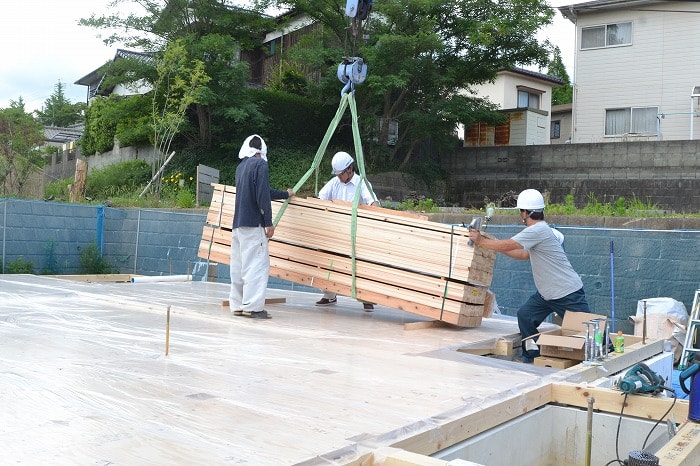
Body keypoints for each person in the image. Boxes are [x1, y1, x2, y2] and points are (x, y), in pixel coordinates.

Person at [468, 188, 589, 362]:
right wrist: (492, 244)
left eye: (521, 212)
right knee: (525, 316)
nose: (521, 216)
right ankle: (533, 354)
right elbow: (523, 254)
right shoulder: (539, 231)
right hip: (547, 294)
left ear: (525, 212)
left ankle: (610, 353)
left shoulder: (537, 230)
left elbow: (509, 244)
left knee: (588, 328)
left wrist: (482, 241)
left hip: (566, 292)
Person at [229, 134, 294, 319]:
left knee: (239, 266)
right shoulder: (260, 165)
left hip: (238, 225)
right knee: (257, 266)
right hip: (253, 225)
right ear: (262, 151)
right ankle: (253, 307)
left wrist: (284, 194)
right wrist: (268, 222)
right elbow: (262, 196)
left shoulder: (241, 167)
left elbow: (263, 191)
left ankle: (238, 305)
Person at [315, 151, 379, 311]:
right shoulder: (334, 183)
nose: (339, 176)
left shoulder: (362, 183)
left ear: (350, 169)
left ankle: (366, 298)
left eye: (341, 173)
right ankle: (329, 295)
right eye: (337, 174)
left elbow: (373, 203)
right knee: (328, 260)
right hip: (336, 231)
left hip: (357, 232)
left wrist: (373, 212)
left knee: (361, 265)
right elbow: (319, 199)